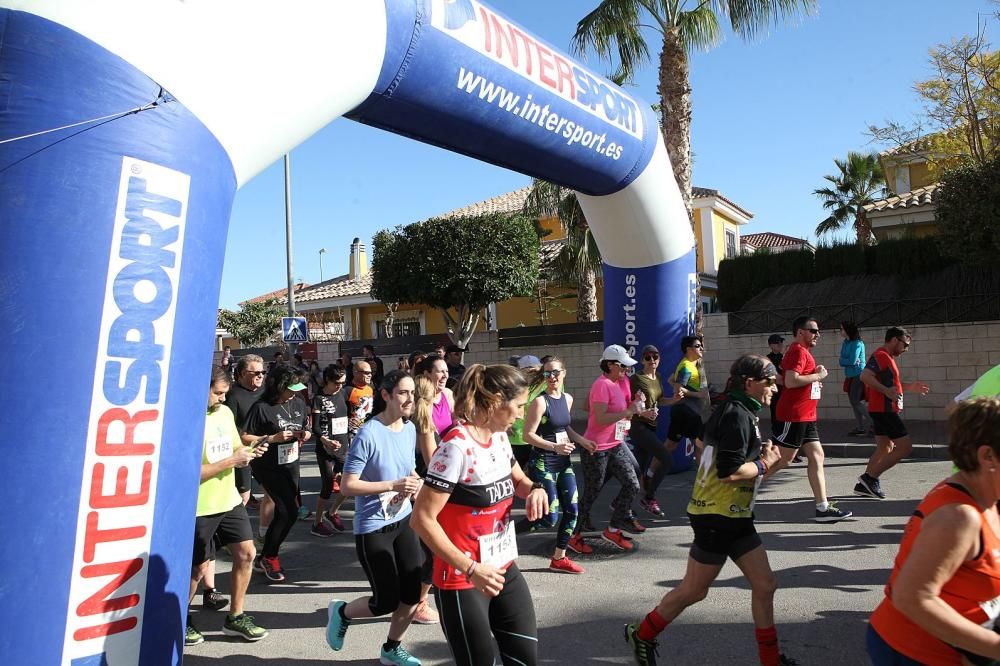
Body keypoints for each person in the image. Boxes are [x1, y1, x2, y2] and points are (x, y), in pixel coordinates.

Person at [624, 355, 795, 666]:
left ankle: (770, 660)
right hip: (717, 517)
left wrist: (770, 466)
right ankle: (642, 634)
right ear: (750, 383)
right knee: (694, 590)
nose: (775, 386)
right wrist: (765, 464)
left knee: (764, 584)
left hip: (732, 513)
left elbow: (703, 444)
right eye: (770, 381)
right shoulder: (737, 416)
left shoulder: (738, 410)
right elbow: (728, 471)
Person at [411, 364, 550, 666]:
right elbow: (421, 519)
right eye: (519, 406)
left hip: (502, 566)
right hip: (463, 577)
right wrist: (472, 569)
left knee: (526, 659)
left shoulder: (500, 438)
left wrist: (535, 488)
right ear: (497, 401)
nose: (521, 414)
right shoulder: (455, 448)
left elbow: (517, 481)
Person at [867, 398, 1000, 665]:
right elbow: (912, 597)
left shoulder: (988, 496)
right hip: (913, 653)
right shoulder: (958, 517)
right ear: (987, 456)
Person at [325, 371, 425, 666]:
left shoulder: (409, 429)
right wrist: (392, 485)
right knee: (385, 601)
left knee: (412, 593)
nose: (410, 399)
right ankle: (341, 612)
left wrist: (415, 483)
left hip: (404, 520)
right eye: (404, 393)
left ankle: (392, 648)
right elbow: (347, 485)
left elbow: (408, 471)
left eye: (412, 393)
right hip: (374, 527)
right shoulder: (369, 433)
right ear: (386, 395)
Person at [187, 366, 269, 646]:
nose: (223, 398)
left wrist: (252, 450)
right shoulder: (187, 420)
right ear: (200, 389)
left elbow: (235, 450)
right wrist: (230, 462)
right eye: (217, 393)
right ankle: (180, 618)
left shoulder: (224, 413)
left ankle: (236, 617)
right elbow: (189, 472)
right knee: (197, 569)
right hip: (199, 506)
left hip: (229, 499)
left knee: (247, 553)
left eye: (225, 393)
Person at [770, 317, 852, 523]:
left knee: (817, 456)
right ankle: (742, 493)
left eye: (817, 331)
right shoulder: (797, 350)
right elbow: (790, 380)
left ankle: (822, 508)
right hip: (794, 415)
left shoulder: (802, 352)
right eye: (813, 330)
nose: (818, 334)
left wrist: (812, 381)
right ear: (800, 332)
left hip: (806, 416)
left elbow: (790, 379)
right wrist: (818, 377)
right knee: (783, 460)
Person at [570, 344, 649, 553]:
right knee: (592, 493)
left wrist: (637, 405)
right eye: (623, 366)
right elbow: (601, 417)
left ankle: (613, 529)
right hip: (595, 448)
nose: (627, 370)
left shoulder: (621, 381)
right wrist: (627, 411)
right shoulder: (601, 385)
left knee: (632, 484)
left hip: (615, 444)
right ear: (611, 365)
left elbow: (626, 409)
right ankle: (573, 535)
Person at [522, 357, 594, 574]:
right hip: (543, 463)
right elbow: (528, 435)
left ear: (564, 373)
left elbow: (565, 428)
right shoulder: (540, 402)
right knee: (549, 517)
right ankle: (504, 531)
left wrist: (582, 441)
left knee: (572, 510)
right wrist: (554, 447)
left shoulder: (568, 399)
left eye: (555, 373)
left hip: (563, 462)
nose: (552, 377)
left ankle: (559, 557)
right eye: (547, 374)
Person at [245, 365, 311, 581]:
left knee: (290, 510)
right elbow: (244, 436)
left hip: (291, 462)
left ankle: (267, 553)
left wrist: (306, 433)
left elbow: (304, 424)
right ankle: (268, 556)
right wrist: (272, 438)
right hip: (268, 465)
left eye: (297, 389)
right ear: (277, 386)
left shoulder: (299, 403)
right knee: (288, 510)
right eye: (290, 389)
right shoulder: (262, 407)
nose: (294, 393)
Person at [854, 327, 930, 500]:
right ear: (895, 340)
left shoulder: (887, 358)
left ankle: (864, 486)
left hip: (881, 409)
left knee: (885, 447)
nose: (906, 348)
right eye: (905, 344)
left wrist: (909, 387)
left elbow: (889, 382)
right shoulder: (881, 355)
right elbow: (865, 376)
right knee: (905, 447)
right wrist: (886, 392)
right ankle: (869, 478)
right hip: (884, 410)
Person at [630, 345, 684, 518]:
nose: (652, 360)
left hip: (651, 427)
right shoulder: (637, 379)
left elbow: (660, 401)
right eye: (647, 357)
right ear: (642, 360)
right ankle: (649, 497)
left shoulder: (657, 377)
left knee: (637, 468)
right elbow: (628, 404)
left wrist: (674, 400)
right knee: (666, 458)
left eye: (655, 356)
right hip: (638, 427)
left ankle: (619, 501)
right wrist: (643, 411)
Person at [409, 376, 443, 625]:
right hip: (424, 492)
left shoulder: (409, 420)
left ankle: (417, 599)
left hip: (415, 491)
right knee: (431, 552)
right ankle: (419, 603)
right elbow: (433, 464)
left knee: (423, 552)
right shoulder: (424, 423)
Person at [310, 364, 351, 536]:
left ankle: (332, 512)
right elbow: (316, 427)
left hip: (343, 446)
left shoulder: (343, 393)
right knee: (327, 486)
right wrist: (325, 440)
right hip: (326, 449)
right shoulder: (319, 399)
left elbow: (347, 416)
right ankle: (317, 522)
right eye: (337, 383)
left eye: (342, 382)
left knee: (348, 485)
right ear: (328, 380)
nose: (340, 386)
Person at [666, 335, 709, 459]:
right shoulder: (686, 367)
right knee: (700, 446)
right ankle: (704, 478)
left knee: (671, 445)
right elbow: (677, 390)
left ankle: (650, 474)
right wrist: (699, 394)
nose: (701, 348)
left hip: (688, 411)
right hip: (687, 411)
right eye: (697, 346)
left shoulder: (689, 364)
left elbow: (670, 380)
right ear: (688, 349)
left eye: (701, 346)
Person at [508, 354, 545, 469]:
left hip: (539, 437)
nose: (531, 373)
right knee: (516, 474)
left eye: (534, 370)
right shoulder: (513, 386)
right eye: (526, 370)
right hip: (517, 438)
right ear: (520, 371)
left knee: (536, 475)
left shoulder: (545, 385)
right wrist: (507, 425)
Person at [838, 321, 870, 437]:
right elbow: (841, 361)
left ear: (848, 330)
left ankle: (875, 424)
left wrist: (845, 360)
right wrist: (846, 361)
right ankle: (861, 427)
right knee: (854, 402)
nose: (840, 331)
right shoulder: (845, 342)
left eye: (841, 329)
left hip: (858, 375)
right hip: (850, 375)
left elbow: (850, 361)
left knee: (856, 401)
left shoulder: (858, 343)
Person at [765, 334, 785, 434]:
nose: (780, 344)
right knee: (775, 413)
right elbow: (768, 378)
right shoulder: (767, 359)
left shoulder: (785, 357)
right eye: (777, 342)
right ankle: (776, 434)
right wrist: (774, 383)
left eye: (781, 342)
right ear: (770, 345)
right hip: (774, 391)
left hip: (785, 389)